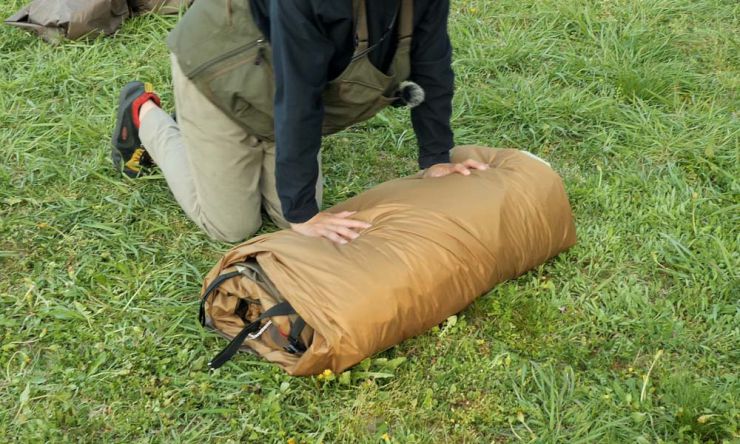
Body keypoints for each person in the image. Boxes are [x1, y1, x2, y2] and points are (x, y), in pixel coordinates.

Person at [110, 0, 488, 244]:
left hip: (274, 84)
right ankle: (144, 114)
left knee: (286, 216)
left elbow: (432, 65)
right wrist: (304, 213)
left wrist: (436, 158)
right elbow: (299, 96)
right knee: (232, 227)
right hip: (219, 71)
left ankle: (210, 136)